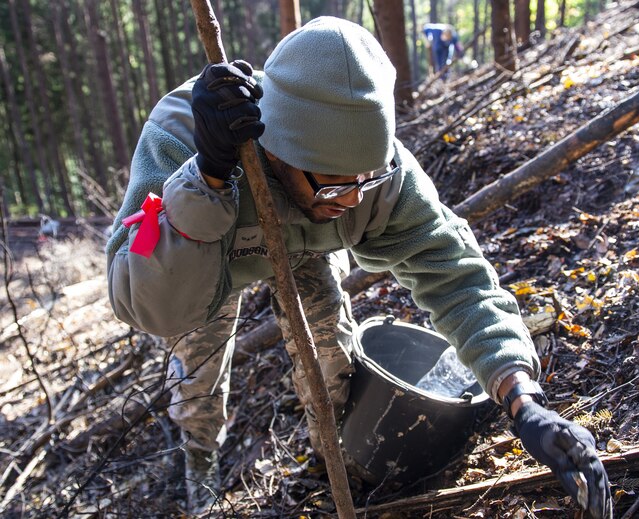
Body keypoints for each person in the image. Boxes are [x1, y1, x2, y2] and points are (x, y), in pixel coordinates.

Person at [106, 16, 612, 517]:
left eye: (363, 181)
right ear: (279, 153)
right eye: (332, 184)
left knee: (333, 359)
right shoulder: (184, 134)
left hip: (307, 246)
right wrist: (207, 182)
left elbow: (456, 275)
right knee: (198, 376)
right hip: (204, 253)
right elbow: (151, 306)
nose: (350, 199)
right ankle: (201, 465)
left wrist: (524, 401)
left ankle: (334, 465)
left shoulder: (378, 177)